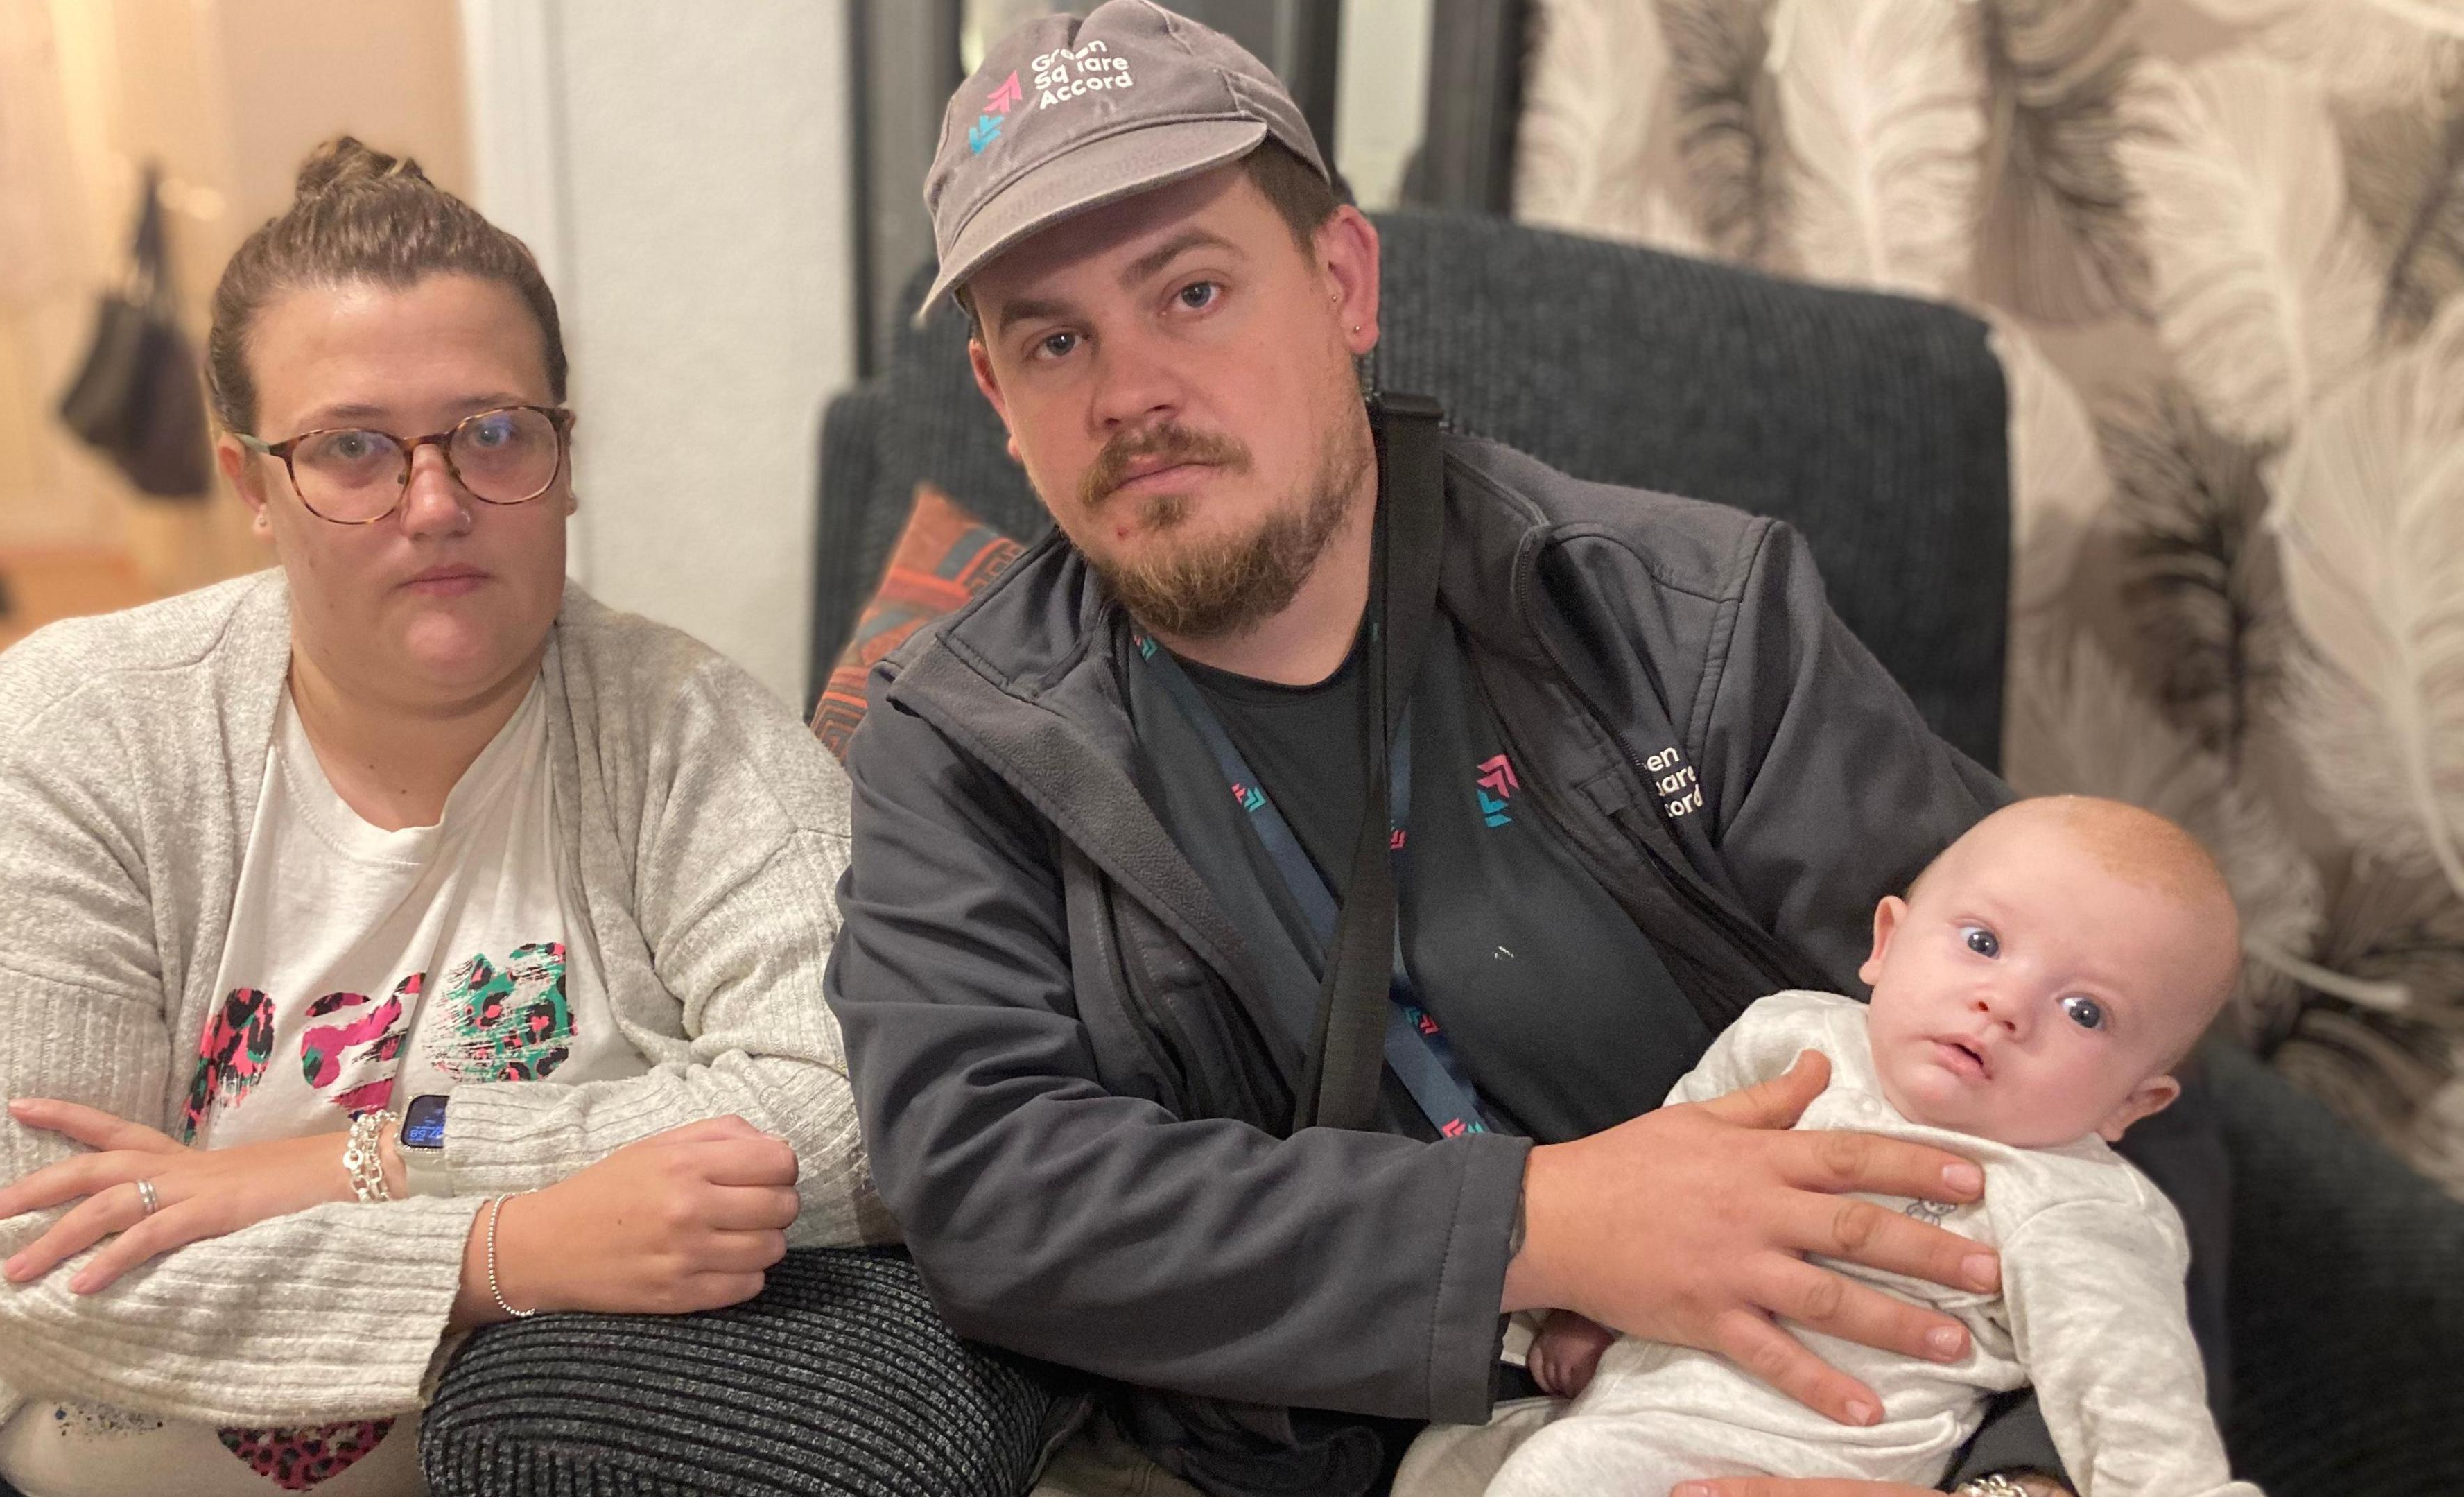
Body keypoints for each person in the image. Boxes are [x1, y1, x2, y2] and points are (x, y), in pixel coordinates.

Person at [825, 6, 2226, 1496]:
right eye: (1055, 337)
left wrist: (2008, 1482)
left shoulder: (1687, 622)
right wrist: (1537, 1222)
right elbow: (994, 1191)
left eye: (1193, 291)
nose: (1129, 393)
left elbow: (2101, 1073)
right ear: (998, 398)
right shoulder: (957, 748)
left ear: (1343, 282)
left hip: (1815, 1433)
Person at [0, 140, 887, 1497]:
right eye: (353, 448)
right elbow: (34, 1268)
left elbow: (852, 1114)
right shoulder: (70, 730)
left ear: (566, 459)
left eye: (495, 431)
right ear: (251, 487)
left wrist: (336, 1162)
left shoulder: (692, 734)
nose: (438, 501)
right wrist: (509, 1247)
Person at [1483, 798, 2256, 1496]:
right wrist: (1593, 1305)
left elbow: (2133, 1398)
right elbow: (1659, 1167)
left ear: (2132, 1102)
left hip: (1803, 1460)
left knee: (1553, 1478)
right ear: (1888, 940)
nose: (2007, 1004)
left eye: (2085, 1010)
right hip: (1622, 1397)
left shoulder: (2065, 1204)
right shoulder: (1790, 1037)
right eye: (1983, 941)